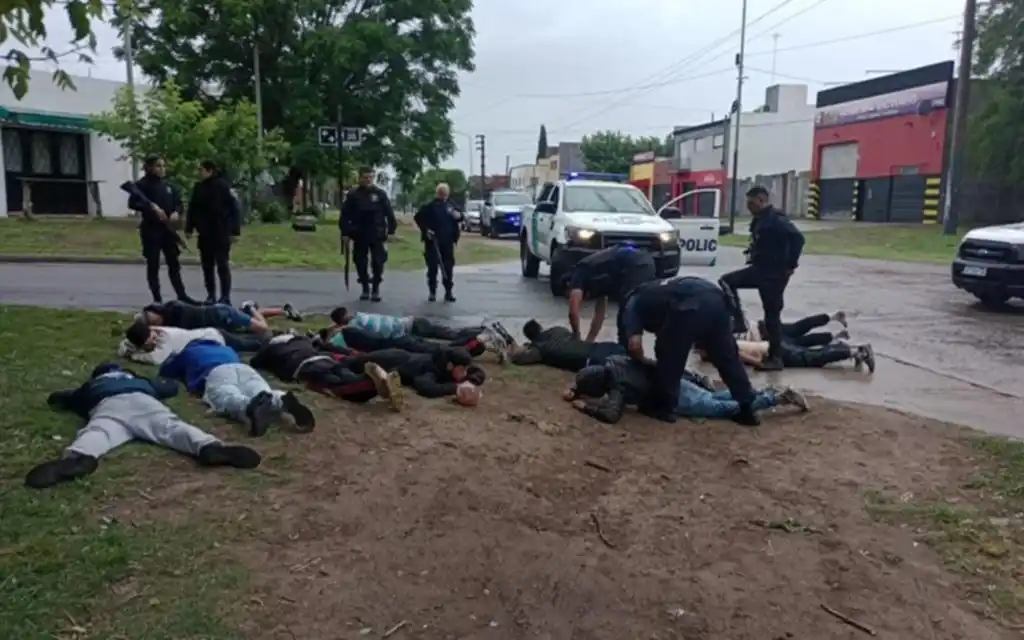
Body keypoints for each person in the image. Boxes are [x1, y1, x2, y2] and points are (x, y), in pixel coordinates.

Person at [24, 363, 260, 489]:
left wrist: (70, 396)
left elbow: (60, 399)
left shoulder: (92, 386)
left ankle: (78, 457)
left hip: (108, 406)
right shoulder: (140, 381)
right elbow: (170, 388)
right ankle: (207, 446)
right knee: (172, 428)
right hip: (143, 401)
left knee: (99, 432)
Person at [124, 322, 315, 436]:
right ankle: (281, 399)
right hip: (242, 367)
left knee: (226, 396)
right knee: (258, 389)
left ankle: (248, 408)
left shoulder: (188, 352)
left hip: (215, 373)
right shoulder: (226, 349)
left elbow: (165, 370)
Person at [618, 276, 760, 426]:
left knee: (669, 355)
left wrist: (642, 362)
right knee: (728, 358)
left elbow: (634, 345)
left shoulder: (632, 303)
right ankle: (747, 408)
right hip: (717, 301)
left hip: (689, 304)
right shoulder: (655, 292)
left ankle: (664, 408)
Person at [564, 355, 809, 425]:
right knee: (713, 397)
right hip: (674, 381)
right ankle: (763, 392)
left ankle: (777, 397)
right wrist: (575, 390)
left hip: (673, 397)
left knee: (721, 408)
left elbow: (611, 415)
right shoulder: (614, 360)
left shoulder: (616, 387)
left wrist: (586, 407)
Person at [719, 185, 805, 371]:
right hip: (760, 270)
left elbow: (798, 238)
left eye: (751, 203)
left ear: (761, 201)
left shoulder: (775, 219)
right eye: (747, 203)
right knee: (727, 281)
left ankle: (776, 358)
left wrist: (791, 264)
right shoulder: (759, 220)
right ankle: (739, 320)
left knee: (772, 317)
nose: (749, 207)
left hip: (773, 275)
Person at [250, 334, 403, 410]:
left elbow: (254, 363)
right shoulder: (300, 338)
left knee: (339, 387)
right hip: (324, 359)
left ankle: (372, 383)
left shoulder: (269, 348)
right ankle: (378, 381)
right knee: (344, 376)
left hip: (302, 367)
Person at [129, 155, 196, 304]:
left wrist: (176, 212)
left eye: (163, 166)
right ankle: (157, 299)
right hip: (151, 230)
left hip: (168, 230)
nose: (162, 169)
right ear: (150, 167)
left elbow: (179, 203)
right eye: (158, 166)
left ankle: (182, 295)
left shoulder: (170, 186)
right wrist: (152, 208)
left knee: (174, 263)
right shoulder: (141, 185)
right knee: (153, 264)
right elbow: (133, 203)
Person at [565, 245, 658, 342]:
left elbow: (573, 312)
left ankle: (629, 351)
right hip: (645, 261)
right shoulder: (598, 278)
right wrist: (589, 342)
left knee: (628, 311)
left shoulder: (579, 273)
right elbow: (600, 315)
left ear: (568, 284)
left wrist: (576, 337)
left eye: (568, 295)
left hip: (636, 265)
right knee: (631, 310)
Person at [186, 159, 241, 305]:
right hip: (205, 233)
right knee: (207, 266)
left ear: (209, 171)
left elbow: (234, 208)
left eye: (201, 170)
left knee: (222, 265)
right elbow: (193, 209)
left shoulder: (223, 186)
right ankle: (211, 294)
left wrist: (235, 230)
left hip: (221, 231)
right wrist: (189, 228)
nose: (199, 173)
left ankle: (225, 296)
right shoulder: (199, 188)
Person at [341, 167, 397, 302]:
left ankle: (376, 288)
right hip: (359, 233)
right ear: (360, 178)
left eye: (370, 177)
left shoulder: (380, 194)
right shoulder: (353, 195)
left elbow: (389, 214)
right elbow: (345, 215)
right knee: (360, 262)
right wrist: (345, 232)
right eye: (365, 177)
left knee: (378, 262)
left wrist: (391, 231)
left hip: (377, 233)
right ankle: (365, 287)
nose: (368, 180)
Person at [506, 319, 626, 371]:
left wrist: (512, 346)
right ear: (540, 327)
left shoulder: (539, 350)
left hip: (589, 360)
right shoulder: (558, 330)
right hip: (596, 347)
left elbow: (517, 359)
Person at [327, 307, 487, 345]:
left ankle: (480, 332)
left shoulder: (357, 322)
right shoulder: (360, 317)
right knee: (449, 334)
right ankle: (478, 331)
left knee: (451, 336)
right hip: (412, 324)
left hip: (412, 326)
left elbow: (343, 329)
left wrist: (331, 330)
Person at [322, 324, 490, 358]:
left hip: (399, 345)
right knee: (438, 347)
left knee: (438, 349)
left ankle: (472, 340)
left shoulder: (343, 337)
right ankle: (473, 339)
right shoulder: (349, 331)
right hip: (401, 340)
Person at [414, 182, 463, 302]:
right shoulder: (430, 206)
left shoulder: (451, 205)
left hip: (447, 241)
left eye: (445, 193)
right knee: (432, 268)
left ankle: (448, 292)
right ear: (437, 193)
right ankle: (432, 292)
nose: (443, 195)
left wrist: (459, 216)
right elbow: (418, 218)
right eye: (441, 193)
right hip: (433, 242)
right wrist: (426, 230)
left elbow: (460, 217)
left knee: (448, 268)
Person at [718, 338, 876, 373]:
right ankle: (845, 348)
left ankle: (857, 352)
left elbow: (750, 359)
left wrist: (760, 366)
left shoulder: (722, 347)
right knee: (813, 354)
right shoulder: (724, 338)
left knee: (813, 359)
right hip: (771, 345)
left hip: (772, 353)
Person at [141, 300, 271, 339]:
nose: (155, 323)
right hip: (219, 325)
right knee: (250, 330)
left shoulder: (175, 309)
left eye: (154, 320)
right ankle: (248, 312)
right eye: (152, 324)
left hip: (222, 314)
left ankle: (250, 307)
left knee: (262, 328)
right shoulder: (168, 324)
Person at [752, 311, 849, 348]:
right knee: (796, 328)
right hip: (759, 327)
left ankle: (835, 336)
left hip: (761, 337)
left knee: (798, 342)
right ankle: (832, 316)